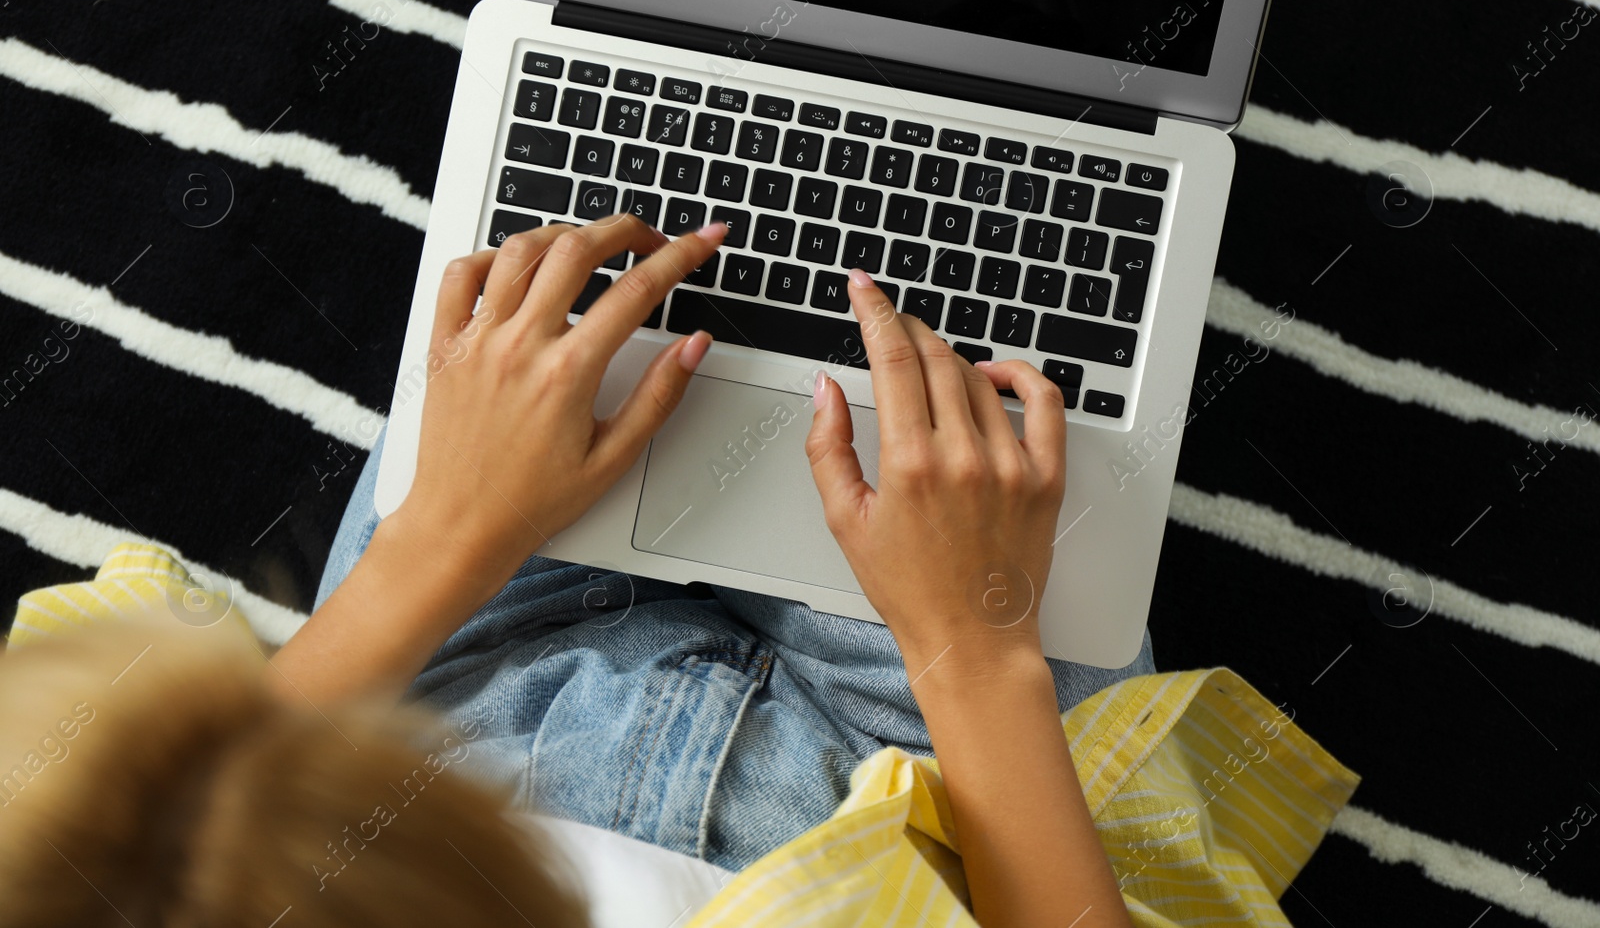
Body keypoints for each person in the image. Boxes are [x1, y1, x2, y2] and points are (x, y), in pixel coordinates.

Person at [2, 214, 1357, 927]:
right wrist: (976, 649)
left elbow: (175, 806)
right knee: (968, 353)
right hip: (926, 807)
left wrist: (445, 541)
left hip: (433, 691)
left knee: (557, 333)